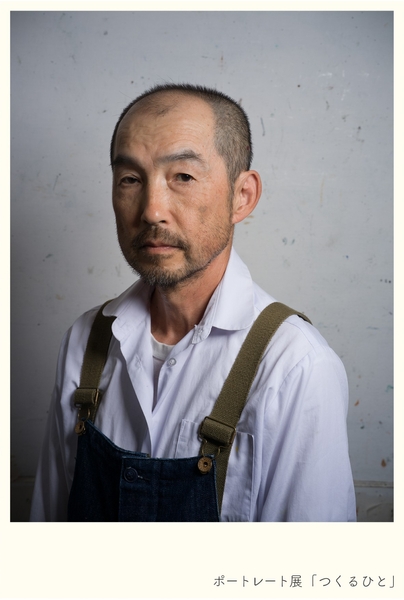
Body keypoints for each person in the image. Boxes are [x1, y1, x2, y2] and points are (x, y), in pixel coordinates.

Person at [30, 83, 356, 522]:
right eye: (130, 179)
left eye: (182, 177)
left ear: (242, 196)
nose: (151, 211)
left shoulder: (295, 367)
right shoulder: (85, 341)